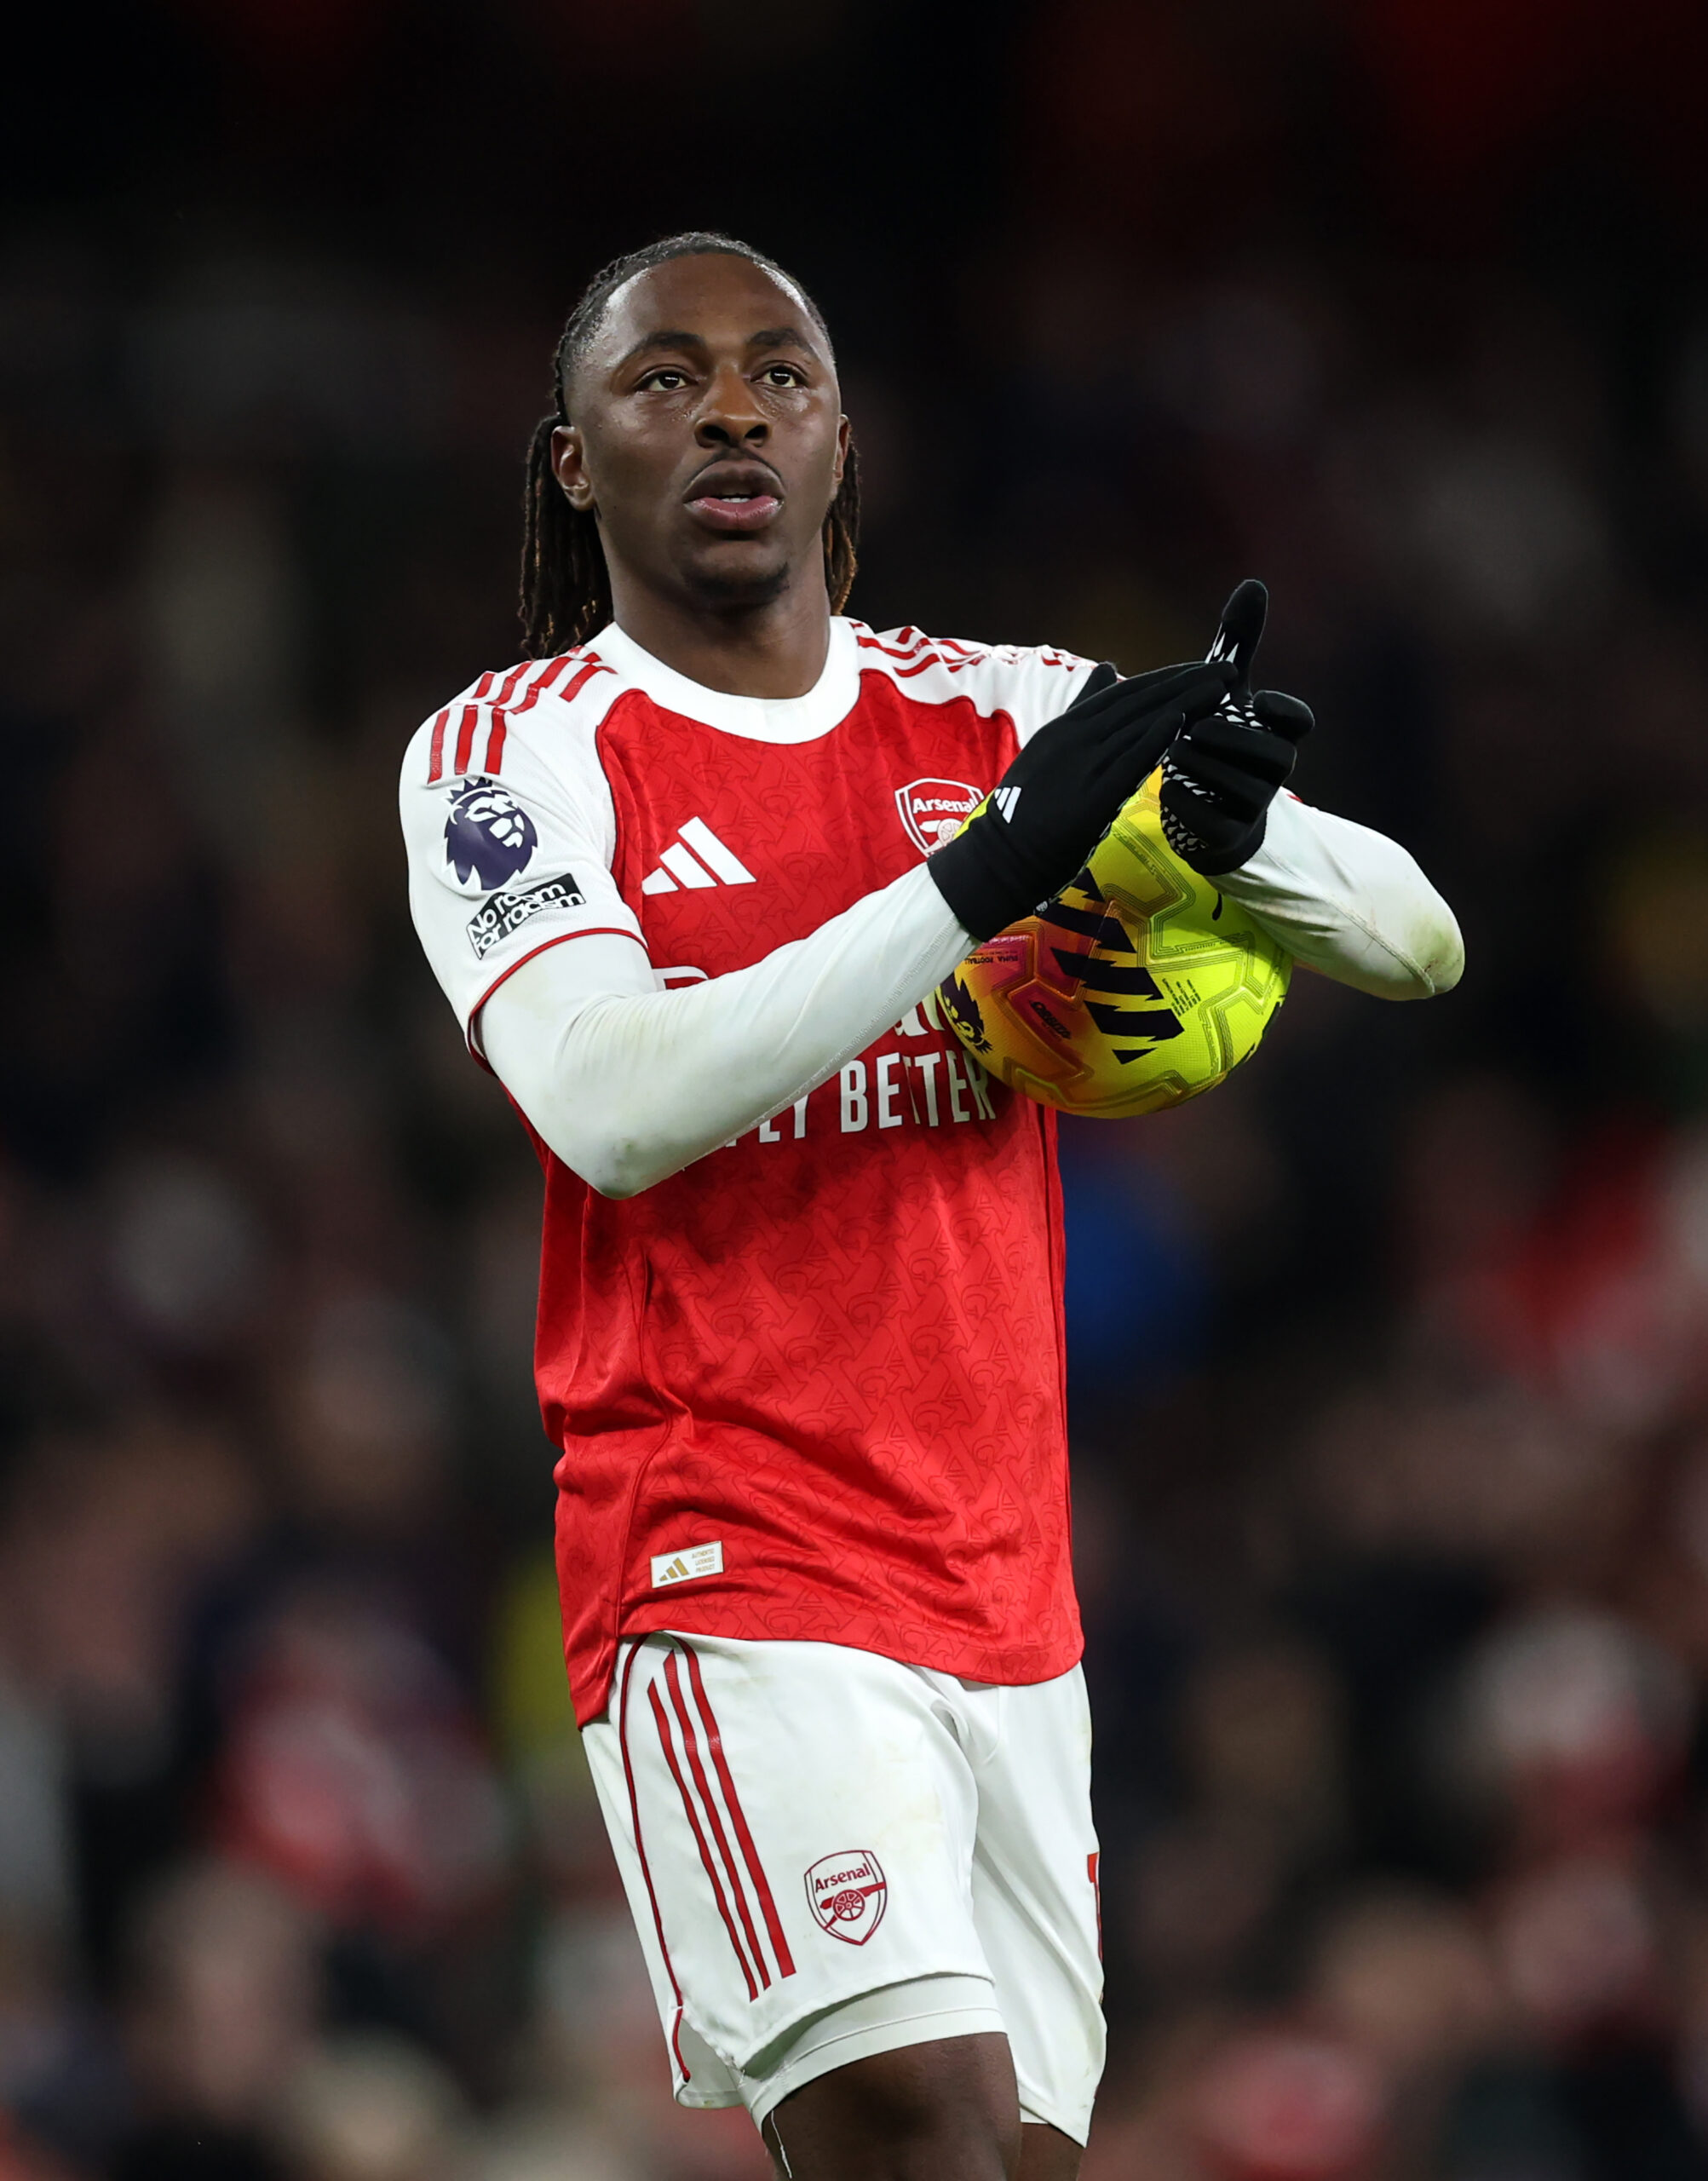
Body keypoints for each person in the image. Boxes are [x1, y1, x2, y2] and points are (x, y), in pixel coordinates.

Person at [399, 232, 1463, 2181]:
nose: (730, 404)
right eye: (665, 376)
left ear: (838, 443)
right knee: (917, 2137)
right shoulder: (514, 750)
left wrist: (1221, 837)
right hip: (730, 1560)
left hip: (1005, 1593)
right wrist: (987, 871)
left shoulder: (1004, 710)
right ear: (572, 459)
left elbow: (1416, 938)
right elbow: (617, 1103)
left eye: (778, 373)